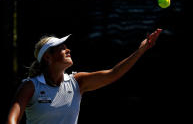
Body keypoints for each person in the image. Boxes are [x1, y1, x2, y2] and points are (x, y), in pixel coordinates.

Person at [7, 28, 162, 124]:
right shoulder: (30, 86)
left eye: (67, 47)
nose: (68, 50)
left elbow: (113, 74)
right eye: (62, 48)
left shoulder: (77, 81)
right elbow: (11, 120)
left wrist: (140, 51)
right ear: (48, 57)